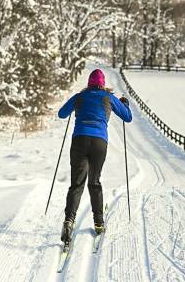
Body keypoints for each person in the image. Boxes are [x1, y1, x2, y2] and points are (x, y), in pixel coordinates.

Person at [57, 68, 132, 243]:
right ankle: (98, 223)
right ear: (103, 84)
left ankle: (68, 221)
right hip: (99, 142)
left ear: (89, 83)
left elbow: (61, 114)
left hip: (80, 140)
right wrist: (125, 103)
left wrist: (75, 104)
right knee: (94, 181)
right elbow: (127, 117)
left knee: (77, 183)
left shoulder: (80, 97)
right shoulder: (109, 98)